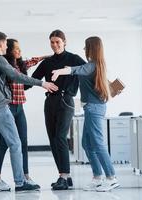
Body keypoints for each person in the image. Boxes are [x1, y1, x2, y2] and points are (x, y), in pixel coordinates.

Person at [0, 31, 58, 195]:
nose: (6, 46)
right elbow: (16, 76)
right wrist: (42, 83)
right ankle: (20, 182)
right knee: (15, 143)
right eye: (5, 43)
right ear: (0, 43)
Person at [51, 36, 120, 192]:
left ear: (91, 48)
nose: (83, 49)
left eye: (85, 47)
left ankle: (111, 177)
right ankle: (97, 177)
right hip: (92, 107)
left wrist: (60, 71)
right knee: (87, 144)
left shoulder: (92, 66)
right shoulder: (96, 66)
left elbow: (75, 69)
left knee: (98, 143)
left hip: (94, 109)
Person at [26, 29, 86, 190]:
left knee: (60, 137)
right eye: (52, 42)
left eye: (58, 42)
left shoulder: (73, 59)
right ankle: (64, 176)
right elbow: (29, 82)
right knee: (53, 140)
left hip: (66, 101)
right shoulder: (47, 63)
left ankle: (63, 176)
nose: (55, 45)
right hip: (50, 102)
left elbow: (89, 70)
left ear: (64, 42)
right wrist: (20, 68)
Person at [0, 39, 50, 191]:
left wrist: (48, 56)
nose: (19, 51)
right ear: (9, 50)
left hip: (20, 108)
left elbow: (32, 61)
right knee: (4, 144)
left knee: (23, 143)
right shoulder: (4, 65)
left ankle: (25, 176)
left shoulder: (21, 65)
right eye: (16, 49)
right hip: (7, 108)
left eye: (19, 48)